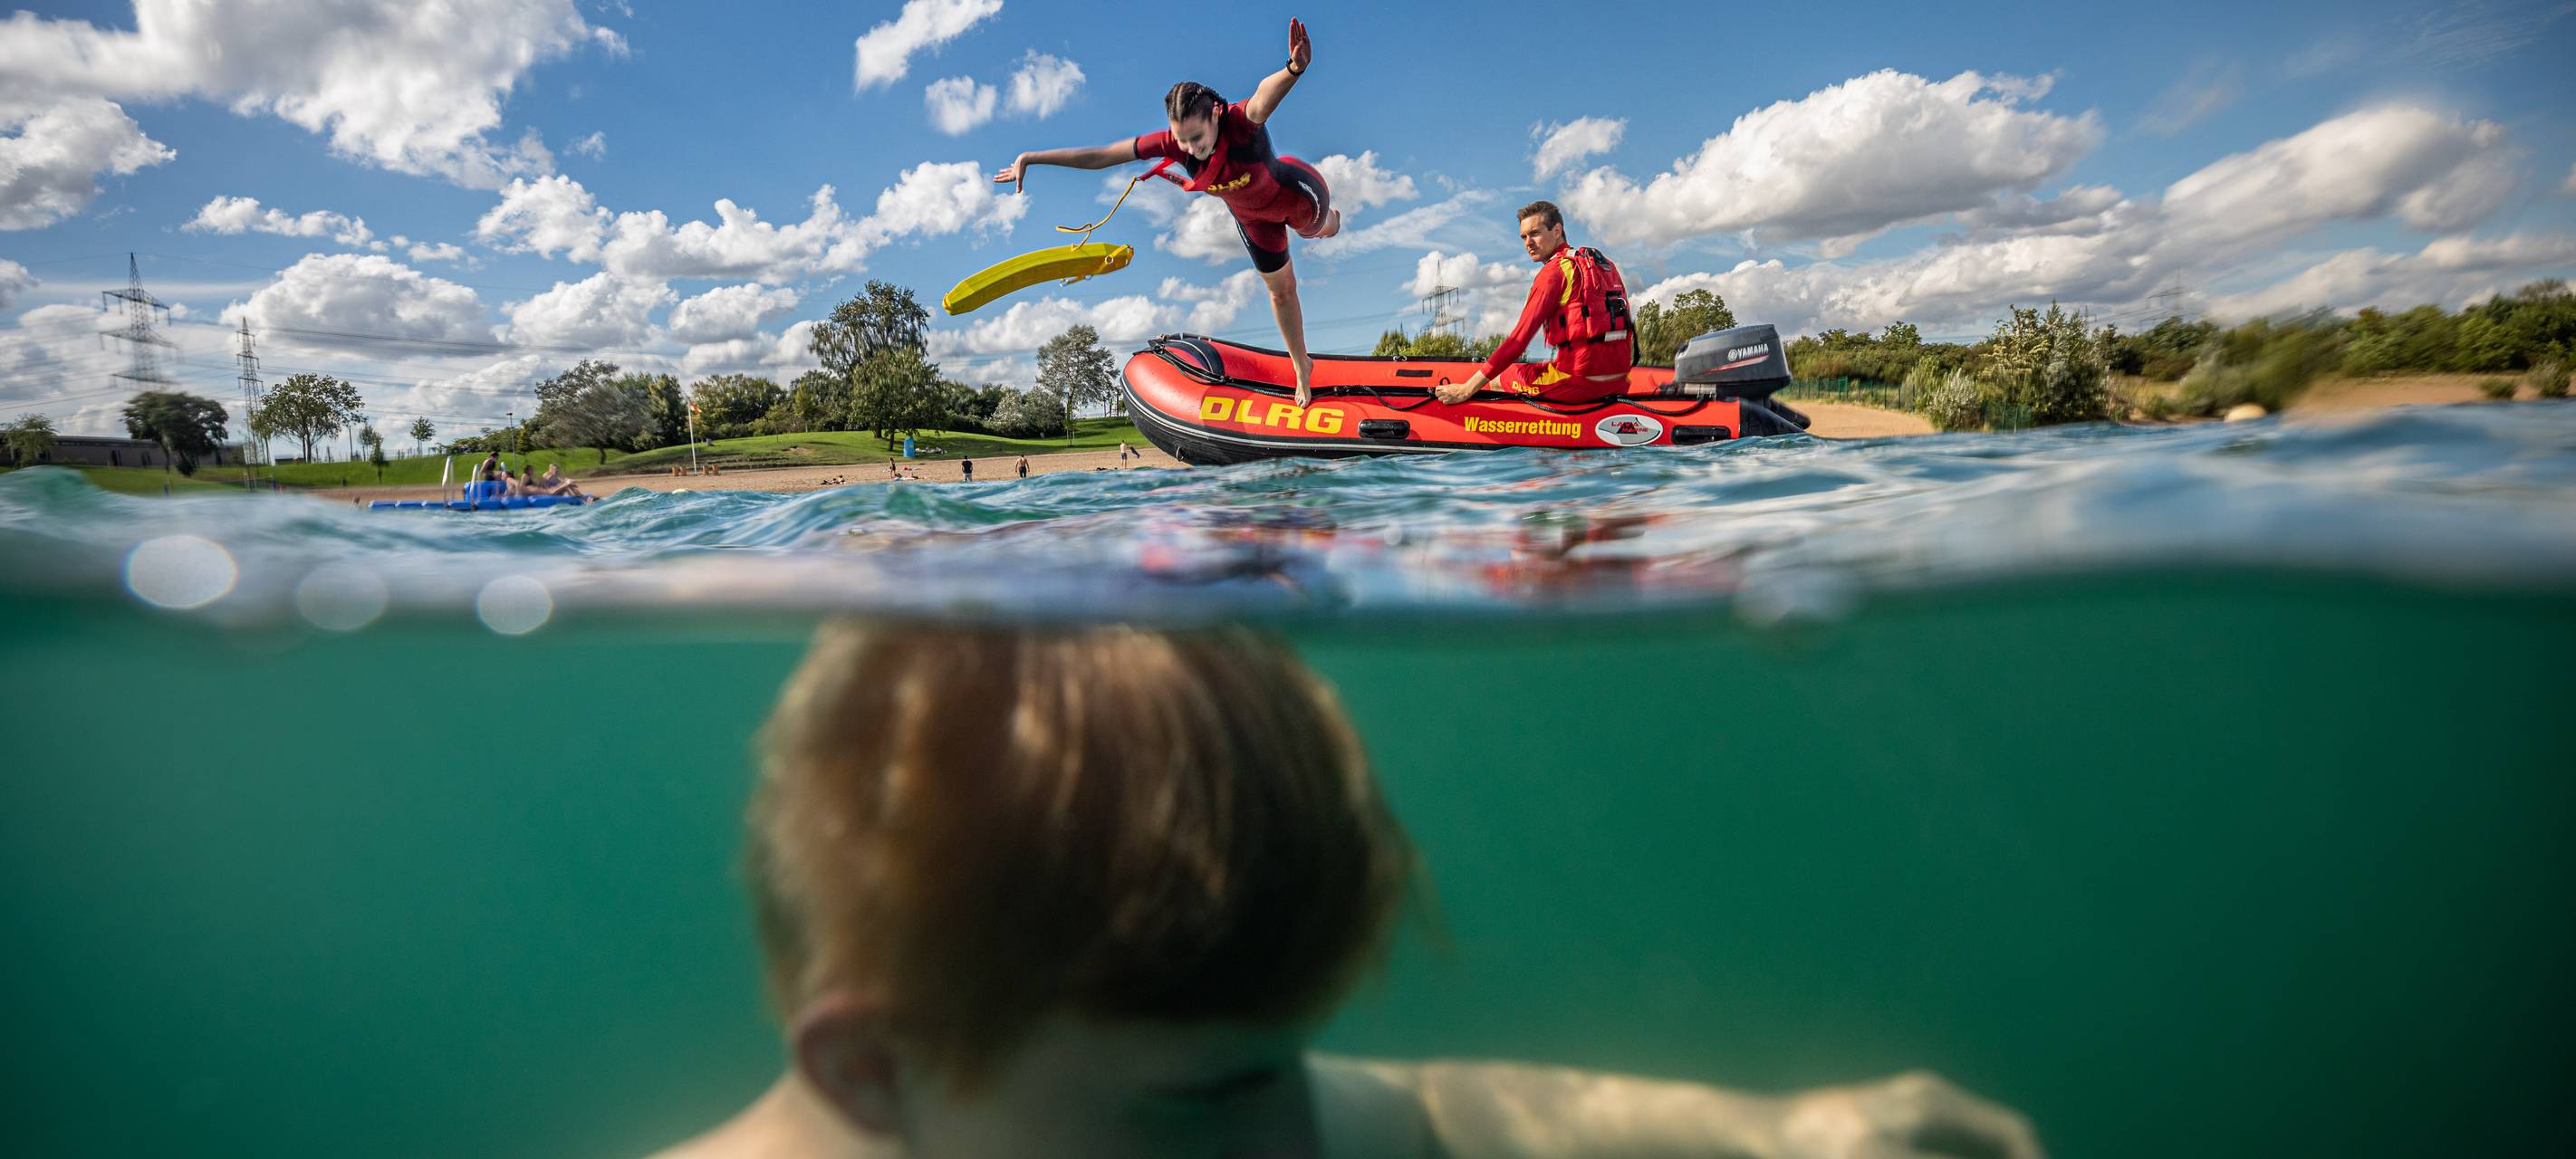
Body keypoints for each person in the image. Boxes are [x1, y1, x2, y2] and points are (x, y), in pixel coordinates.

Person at [657, 623, 2044, 1159]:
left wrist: (1804, 1135)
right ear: (875, 1069)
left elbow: (1439, 1114)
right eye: (1216, 1097)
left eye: (1289, 1067)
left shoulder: (1123, 1088)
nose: (1303, 1142)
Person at [996, 18, 1343, 407]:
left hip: (1296, 196)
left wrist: (1293, 69)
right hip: (1252, 219)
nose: (1189, 149)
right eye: (1181, 139)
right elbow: (1100, 156)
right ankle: (1302, 367)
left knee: (1320, 230)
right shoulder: (1173, 145)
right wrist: (1032, 157)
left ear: (1215, 114)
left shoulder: (1239, 123)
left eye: (1196, 138)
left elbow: (1263, 98)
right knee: (1281, 293)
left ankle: (1333, 221)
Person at [1434, 201, 1637, 406]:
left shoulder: (1554, 272)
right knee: (1545, 366)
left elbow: (1518, 341)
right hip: (1620, 382)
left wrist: (1466, 389)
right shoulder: (1605, 266)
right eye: (1524, 236)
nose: (1528, 243)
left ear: (1557, 230)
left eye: (1535, 233)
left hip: (1578, 384)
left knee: (1499, 379)